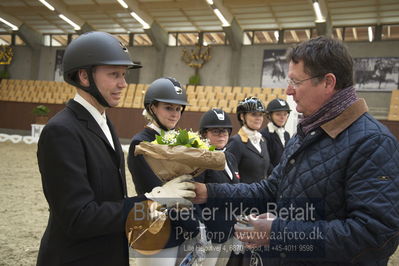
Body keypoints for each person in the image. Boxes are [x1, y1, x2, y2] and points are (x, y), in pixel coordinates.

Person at [192, 36, 399, 265]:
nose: (289, 91)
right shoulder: (307, 133)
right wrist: (208, 192)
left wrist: (277, 232)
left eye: (296, 82)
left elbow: (374, 236)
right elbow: (270, 190)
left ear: (328, 82)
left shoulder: (373, 143)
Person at [36, 32, 196, 266]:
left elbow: (110, 198)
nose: (123, 84)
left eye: (123, 75)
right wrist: (154, 200)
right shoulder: (61, 131)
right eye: (113, 74)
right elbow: (79, 217)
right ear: (84, 76)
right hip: (77, 258)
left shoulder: (105, 122)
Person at [127, 77, 200, 265]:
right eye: (168, 107)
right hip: (156, 230)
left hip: (180, 228)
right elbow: (156, 191)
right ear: (152, 108)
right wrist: (193, 226)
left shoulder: (176, 140)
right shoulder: (141, 143)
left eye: (178, 109)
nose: (175, 114)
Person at [196, 108, 240, 266]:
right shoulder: (200, 158)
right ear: (204, 134)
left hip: (229, 229)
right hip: (210, 231)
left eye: (225, 131)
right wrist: (201, 231)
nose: (222, 134)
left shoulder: (230, 157)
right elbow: (195, 198)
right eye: (216, 131)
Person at [226, 97, 273, 184]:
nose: (258, 118)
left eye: (260, 115)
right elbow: (230, 176)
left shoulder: (262, 141)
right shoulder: (236, 142)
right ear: (242, 116)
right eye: (254, 114)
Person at [260, 98, 291, 167]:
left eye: (285, 114)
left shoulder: (286, 135)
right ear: (270, 116)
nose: (282, 117)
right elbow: (266, 161)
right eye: (278, 114)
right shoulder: (263, 135)